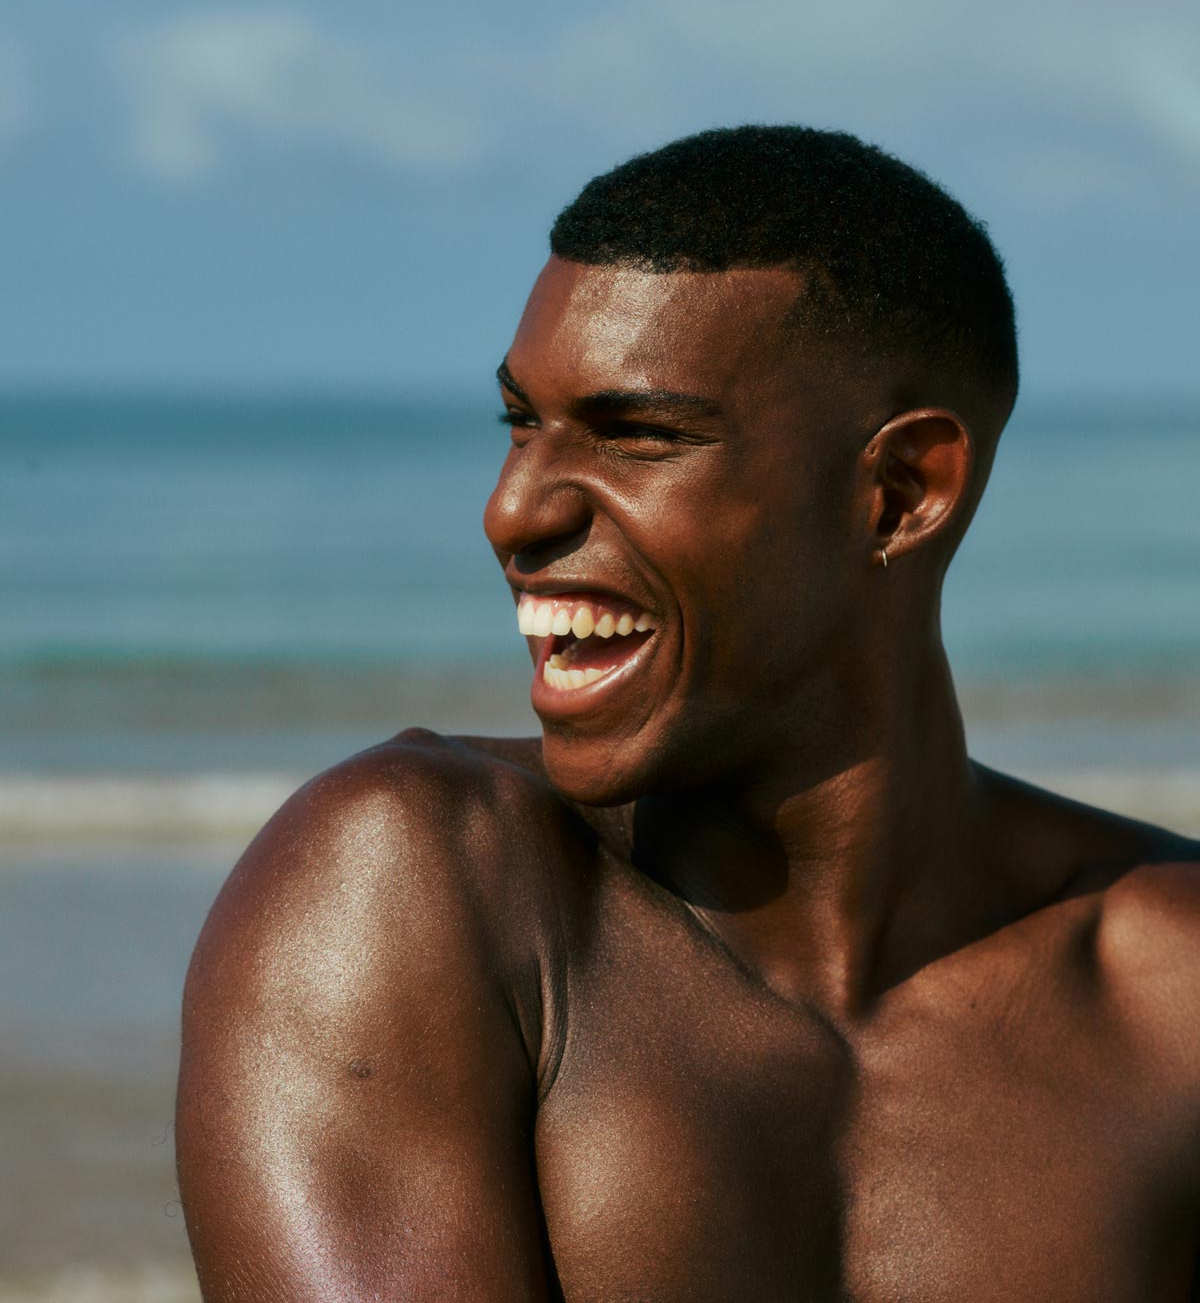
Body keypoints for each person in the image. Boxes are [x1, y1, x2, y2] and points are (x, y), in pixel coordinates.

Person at [176, 125, 1200, 1301]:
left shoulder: (1174, 995)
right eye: (520, 422)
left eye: (636, 435)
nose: (512, 512)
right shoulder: (423, 884)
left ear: (900, 492)